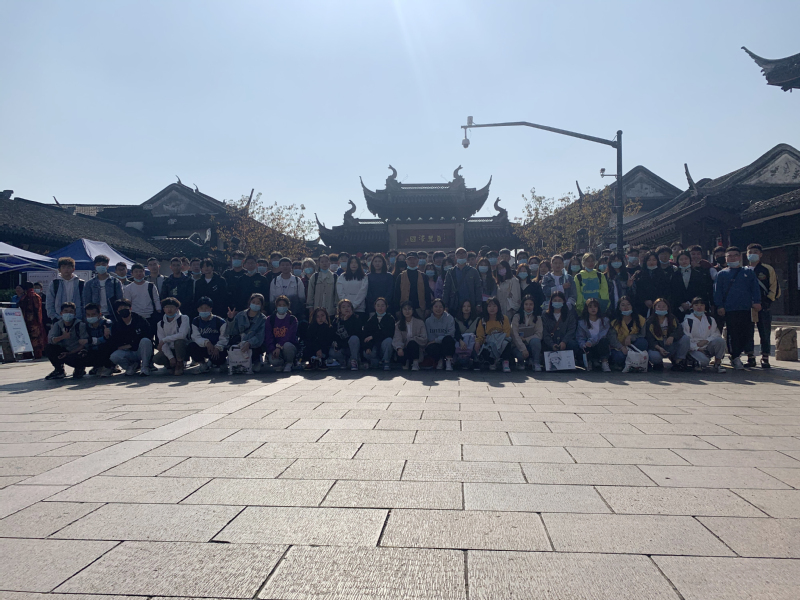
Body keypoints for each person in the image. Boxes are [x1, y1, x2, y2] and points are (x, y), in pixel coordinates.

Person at [713, 246, 761, 370]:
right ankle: (735, 356)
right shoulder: (721, 274)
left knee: (747, 333)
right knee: (732, 334)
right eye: (729, 256)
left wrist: (757, 302)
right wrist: (720, 306)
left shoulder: (748, 272)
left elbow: (755, 288)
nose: (732, 258)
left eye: (735, 255)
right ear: (726, 258)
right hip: (730, 309)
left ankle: (747, 354)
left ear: (740, 257)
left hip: (746, 308)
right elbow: (717, 292)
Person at [746, 243, 779, 369]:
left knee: (764, 332)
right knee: (748, 332)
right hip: (747, 307)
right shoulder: (744, 270)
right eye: (750, 252)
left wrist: (766, 302)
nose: (752, 254)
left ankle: (765, 357)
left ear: (760, 254)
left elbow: (774, 287)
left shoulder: (767, 269)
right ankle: (750, 357)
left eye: (755, 252)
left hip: (764, 306)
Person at [109, 298, 153, 376]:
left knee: (145, 341)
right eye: (120, 309)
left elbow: (148, 335)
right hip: (128, 352)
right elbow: (116, 342)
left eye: (125, 308)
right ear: (117, 312)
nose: (123, 310)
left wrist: (131, 344)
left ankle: (145, 367)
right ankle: (130, 367)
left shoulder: (140, 320)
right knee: (114, 356)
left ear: (130, 308)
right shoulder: (116, 325)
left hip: (140, 350)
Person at [44, 302, 88, 380]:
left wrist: (69, 353)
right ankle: (59, 370)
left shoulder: (80, 325)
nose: (68, 314)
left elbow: (84, 344)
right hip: (64, 350)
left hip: (76, 351)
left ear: (74, 313)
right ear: (61, 313)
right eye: (66, 311)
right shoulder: (57, 325)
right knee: (49, 348)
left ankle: (79, 368)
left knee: (83, 354)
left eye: (71, 312)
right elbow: (51, 340)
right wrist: (62, 337)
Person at [682, 297, 726, 373]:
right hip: (694, 348)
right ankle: (692, 360)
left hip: (707, 346)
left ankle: (718, 363)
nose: (699, 307)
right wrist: (697, 348)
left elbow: (716, 334)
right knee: (705, 362)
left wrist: (706, 341)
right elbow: (687, 339)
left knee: (720, 341)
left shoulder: (710, 320)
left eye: (701, 305)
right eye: (696, 305)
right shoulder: (688, 321)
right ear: (692, 307)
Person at [645, 298, 690, 371]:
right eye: (659, 306)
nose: (661, 308)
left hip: (670, 345)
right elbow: (649, 339)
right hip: (657, 347)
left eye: (664, 306)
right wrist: (659, 348)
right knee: (654, 357)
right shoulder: (649, 322)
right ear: (654, 308)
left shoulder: (672, 318)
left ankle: (678, 361)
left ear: (668, 308)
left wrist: (672, 336)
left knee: (685, 338)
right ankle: (658, 363)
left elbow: (679, 330)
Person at [607, 296, 649, 372]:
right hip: (620, 348)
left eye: (628, 304)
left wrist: (631, 337)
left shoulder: (640, 319)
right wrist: (621, 347)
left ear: (632, 306)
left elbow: (642, 335)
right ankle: (622, 364)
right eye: (623, 305)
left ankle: (638, 362)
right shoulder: (614, 323)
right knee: (619, 356)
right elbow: (612, 339)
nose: (626, 307)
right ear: (619, 308)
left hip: (634, 346)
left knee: (642, 342)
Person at [227, 293, 267, 371]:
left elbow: (260, 336)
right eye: (253, 302)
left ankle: (256, 360)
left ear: (261, 305)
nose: (255, 304)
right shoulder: (240, 315)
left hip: (254, 345)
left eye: (258, 303)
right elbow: (232, 332)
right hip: (240, 343)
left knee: (256, 368)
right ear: (249, 303)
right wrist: (231, 320)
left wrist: (249, 343)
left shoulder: (263, 319)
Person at [669, 250, 713, 323]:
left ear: (690, 259)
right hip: (679, 307)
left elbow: (702, 291)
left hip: (696, 306)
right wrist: (681, 303)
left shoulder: (698, 274)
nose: (684, 261)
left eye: (686, 259)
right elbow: (673, 291)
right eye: (681, 259)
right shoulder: (674, 275)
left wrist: (692, 303)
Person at [189, 296, 229, 373]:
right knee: (191, 346)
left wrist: (217, 347)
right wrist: (206, 342)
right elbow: (195, 337)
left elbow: (224, 338)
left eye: (206, 308)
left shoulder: (220, 321)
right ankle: (203, 364)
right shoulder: (196, 321)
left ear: (211, 309)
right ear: (198, 309)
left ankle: (221, 363)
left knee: (218, 359)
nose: (204, 310)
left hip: (217, 348)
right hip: (204, 347)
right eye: (201, 308)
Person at [475, 296, 514, 372]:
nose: (492, 308)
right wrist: (478, 342)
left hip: (501, 342)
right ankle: (492, 362)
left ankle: (505, 362)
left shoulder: (503, 319)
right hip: (489, 344)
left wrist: (496, 338)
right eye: (489, 306)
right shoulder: (483, 321)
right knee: (484, 348)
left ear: (498, 307)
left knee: (507, 342)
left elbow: (507, 334)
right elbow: (480, 335)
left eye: (494, 306)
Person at [541, 291, 579, 367]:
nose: (557, 302)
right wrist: (552, 344)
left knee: (573, 344)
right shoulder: (545, 315)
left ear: (563, 302)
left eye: (559, 300)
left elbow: (571, 330)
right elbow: (545, 332)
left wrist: (564, 342)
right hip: (550, 343)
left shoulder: (569, 315)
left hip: (565, 342)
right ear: (551, 302)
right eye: (555, 300)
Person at [153, 297, 190, 375]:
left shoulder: (184, 318)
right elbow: (162, 342)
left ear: (177, 308)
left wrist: (165, 340)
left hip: (182, 348)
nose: (169, 309)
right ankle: (171, 365)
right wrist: (171, 357)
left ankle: (180, 364)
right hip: (170, 349)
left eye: (172, 307)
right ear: (164, 309)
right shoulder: (160, 324)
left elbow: (182, 335)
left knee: (179, 341)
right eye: (167, 307)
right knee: (156, 358)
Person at [443, 247, 482, 316]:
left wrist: (479, 303)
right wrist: (445, 304)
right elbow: (446, 289)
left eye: (463, 253)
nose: (461, 255)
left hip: (470, 305)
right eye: (459, 254)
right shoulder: (450, 272)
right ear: (455, 257)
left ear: (466, 255)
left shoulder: (473, 271)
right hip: (454, 305)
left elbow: (478, 288)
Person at [264, 295, 299, 373]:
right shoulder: (270, 319)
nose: (281, 307)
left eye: (284, 305)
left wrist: (279, 347)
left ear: (288, 306)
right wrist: (272, 349)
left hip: (287, 346)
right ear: (276, 306)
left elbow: (289, 336)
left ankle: (290, 362)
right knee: (274, 361)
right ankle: (281, 364)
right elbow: (268, 336)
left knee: (287, 345)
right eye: (279, 305)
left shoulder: (292, 319)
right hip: (275, 348)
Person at [124, 263, 162, 334]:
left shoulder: (151, 286)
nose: (139, 273)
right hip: (136, 317)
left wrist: (158, 312)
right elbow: (128, 303)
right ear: (132, 273)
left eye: (140, 271)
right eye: (136, 272)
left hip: (150, 316)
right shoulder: (128, 288)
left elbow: (156, 300)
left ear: (144, 272)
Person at [393, 252, 432, 319]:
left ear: (418, 260)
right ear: (406, 261)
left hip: (420, 309)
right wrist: (397, 309)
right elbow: (397, 294)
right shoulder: (401, 276)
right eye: (410, 259)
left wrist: (428, 308)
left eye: (414, 259)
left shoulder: (423, 276)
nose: (412, 261)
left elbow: (427, 293)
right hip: (405, 309)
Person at [632, 251, 671, 318]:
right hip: (642, 306)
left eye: (654, 260)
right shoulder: (639, 274)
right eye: (649, 260)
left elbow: (666, 290)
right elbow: (637, 290)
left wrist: (657, 301)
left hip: (659, 305)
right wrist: (644, 300)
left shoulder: (664, 274)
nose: (651, 262)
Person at [577, 298, 611, 372]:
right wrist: (583, 344)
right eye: (590, 307)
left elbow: (603, 335)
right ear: (587, 308)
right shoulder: (581, 322)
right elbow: (580, 337)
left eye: (595, 306)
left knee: (604, 341)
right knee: (582, 347)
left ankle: (604, 362)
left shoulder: (605, 321)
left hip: (600, 346)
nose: (593, 309)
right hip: (588, 347)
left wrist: (591, 341)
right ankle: (589, 362)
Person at [46, 257, 86, 322]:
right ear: (59, 270)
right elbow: (49, 302)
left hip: (77, 319)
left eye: (69, 267)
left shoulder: (80, 283)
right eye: (63, 267)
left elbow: (84, 301)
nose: (66, 269)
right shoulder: (54, 283)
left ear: (73, 269)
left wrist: (83, 317)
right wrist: (53, 317)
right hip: (58, 319)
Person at [511, 295, 543, 371]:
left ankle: (536, 362)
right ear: (523, 305)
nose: (528, 306)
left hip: (531, 344)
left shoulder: (538, 318)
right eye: (526, 304)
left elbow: (539, 334)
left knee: (536, 341)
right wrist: (523, 349)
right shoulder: (517, 317)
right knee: (520, 355)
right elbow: (514, 335)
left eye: (531, 304)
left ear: (534, 306)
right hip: (518, 346)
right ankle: (520, 362)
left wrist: (526, 339)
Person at [82, 303, 115, 376]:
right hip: (94, 349)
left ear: (99, 314)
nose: (90, 317)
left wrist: (92, 341)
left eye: (93, 314)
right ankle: (97, 366)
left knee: (104, 346)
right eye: (88, 315)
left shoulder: (107, 323)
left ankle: (109, 366)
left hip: (106, 349)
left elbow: (107, 339)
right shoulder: (86, 326)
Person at [362, 297, 395, 370]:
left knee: (389, 341)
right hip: (374, 346)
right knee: (366, 353)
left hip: (384, 346)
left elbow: (389, 333)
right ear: (375, 307)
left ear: (386, 306)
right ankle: (376, 361)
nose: (380, 308)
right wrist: (368, 347)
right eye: (378, 305)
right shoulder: (371, 320)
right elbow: (366, 335)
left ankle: (386, 361)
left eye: (383, 305)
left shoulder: (390, 318)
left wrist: (374, 336)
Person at [392, 301, 427, 371]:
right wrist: (399, 348)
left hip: (416, 348)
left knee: (412, 343)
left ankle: (415, 363)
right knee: (400, 353)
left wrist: (413, 339)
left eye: (409, 309)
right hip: (404, 348)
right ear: (402, 311)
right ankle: (406, 362)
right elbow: (397, 338)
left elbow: (424, 338)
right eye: (405, 309)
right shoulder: (398, 325)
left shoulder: (420, 322)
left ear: (413, 310)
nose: (407, 311)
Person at [424, 298, 457, 371]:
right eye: (436, 306)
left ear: (444, 308)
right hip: (435, 344)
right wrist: (435, 341)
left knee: (448, 340)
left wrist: (437, 340)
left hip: (446, 342)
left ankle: (448, 361)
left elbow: (451, 334)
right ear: (432, 308)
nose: (438, 309)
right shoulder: (428, 321)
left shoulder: (449, 318)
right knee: (430, 348)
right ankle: (440, 360)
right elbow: (429, 337)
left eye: (440, 307)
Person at [330, 298, 363, 370]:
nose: (346, 308)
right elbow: (334, 335)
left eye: (348, 306)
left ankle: (354, 360)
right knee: (331, 351)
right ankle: (342, 361)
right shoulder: (336, 321)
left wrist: (347, 321)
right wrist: (335, 343)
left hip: (352, 347)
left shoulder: (356, 319)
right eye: (343, 307)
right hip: (341, 347)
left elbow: (356, 334)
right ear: (339, 309)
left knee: (354, 338)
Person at [307, 254, 338, 320]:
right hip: (317, 310)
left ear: (329, 263)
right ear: (318, 263)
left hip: (330, 310)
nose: (324, 263)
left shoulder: (334, 277)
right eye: (322, 262)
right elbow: (310, 293)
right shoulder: (314, 277)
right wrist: (310, 307)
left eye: (326, 261)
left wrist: (337, 308)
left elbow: (336, 294)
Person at [18, 282, 45, 359]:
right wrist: (39, 321)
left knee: (26, 338)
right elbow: (38, 310)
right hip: (35, 321)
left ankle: (27, 354)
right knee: (36, 338)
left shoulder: (24, 297)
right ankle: (37, 354)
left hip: (25, 321)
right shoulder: (36, 296)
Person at [454, 299, 478, 369]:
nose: (466, 308)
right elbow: (456, 333)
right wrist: (461, 341)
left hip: (472, 341)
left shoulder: (477, 319)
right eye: (464, 306)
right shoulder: (456, 320)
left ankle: (475, 360)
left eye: (468, 306)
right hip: (460, 341)